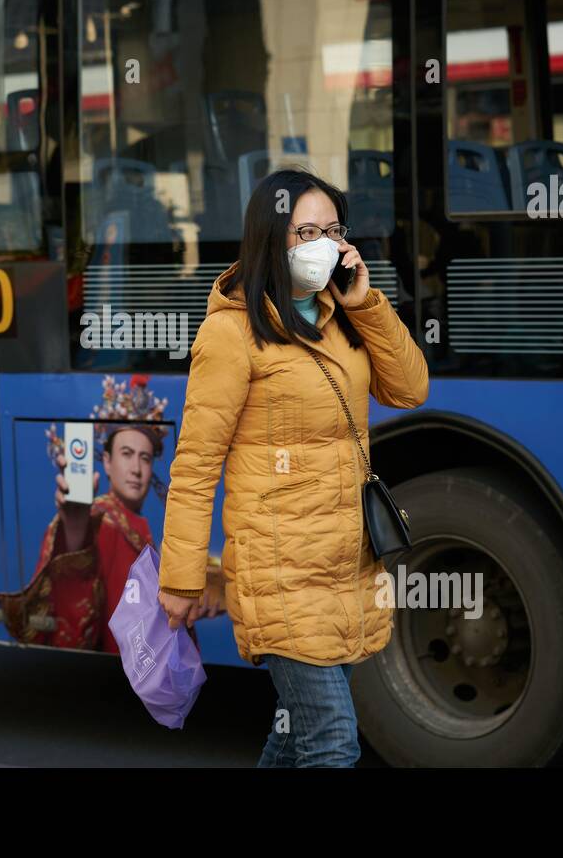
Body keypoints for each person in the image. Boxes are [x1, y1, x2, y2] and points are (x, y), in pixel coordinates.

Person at [156, 167, 430, 767]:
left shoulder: (342, 320)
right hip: (278, 569)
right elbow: (196, 464)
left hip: (343, 564)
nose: (323, 245)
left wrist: (368, 303)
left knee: (295, 735)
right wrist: (180, 579)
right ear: (269, 240)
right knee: (331, 741)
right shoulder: (229, 334)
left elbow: (411, 389)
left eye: (333, 230)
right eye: (306, 232)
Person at [0, 375, 225, 652]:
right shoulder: (102, 523)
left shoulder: (138, 527)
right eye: (126, 454)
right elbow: (70, 612)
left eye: (145, 457)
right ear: (106, 461)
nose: (136, 469)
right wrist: (76, 528)